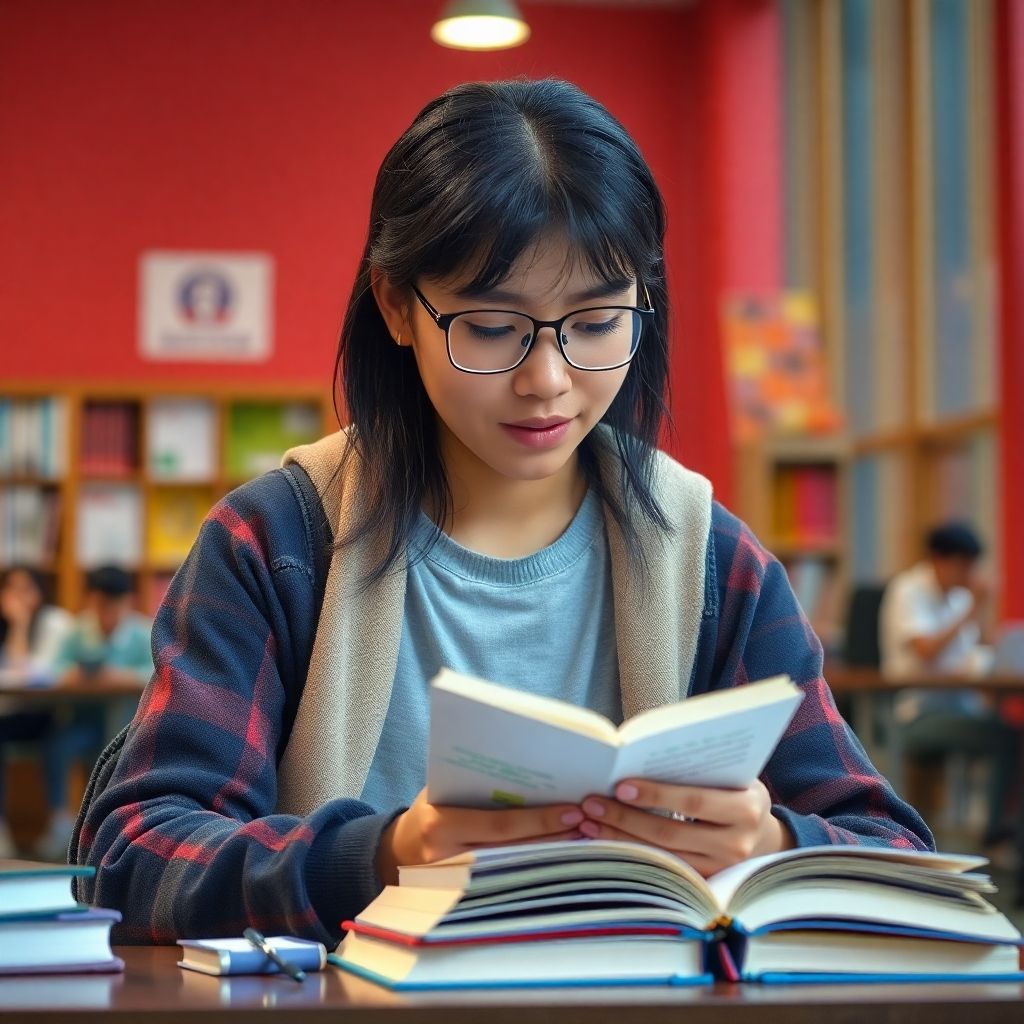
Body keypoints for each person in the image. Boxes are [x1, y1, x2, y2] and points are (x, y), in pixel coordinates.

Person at [78, 78, 931, 943]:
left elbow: (893, 853)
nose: (548, 381)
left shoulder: (713, 562)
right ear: (395, 305)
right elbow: (133, 857)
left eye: (597, 321)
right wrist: (380, 857)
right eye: (492, 328)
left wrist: (771, 842)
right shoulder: (278, 544)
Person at [879, 522, 1019, 849]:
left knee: (1008, 732)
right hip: (917, 713)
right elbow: (926, 650)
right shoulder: (908, 590)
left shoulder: (958, 598)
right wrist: (972, 608)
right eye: (963, 564)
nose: (968, 573)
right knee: (1006, 739)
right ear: (938, 560)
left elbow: (974, 656)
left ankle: (999, 831)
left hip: (960, 708)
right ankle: (995, 833)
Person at [36, 565, 153, 860]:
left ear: (129, 602)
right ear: (91, 601)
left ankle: (111, 831)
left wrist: (120, 676)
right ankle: (60, 822)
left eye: (116, 605)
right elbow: (53, 670)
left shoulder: (142, 633)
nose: (108, 613)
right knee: (57, 747)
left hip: (127, 727)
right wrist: (71, 675)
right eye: (101, 605)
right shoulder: (77, 632)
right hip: (83, 723)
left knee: (118, 759)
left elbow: (157, 672)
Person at [0, 565, 74, 857]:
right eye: (11, 589)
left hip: (50, 713)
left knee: (59, 742)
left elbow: (35, 675)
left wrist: (20, 623)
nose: (18, 597)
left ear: (40, 591)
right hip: (9, 714)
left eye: (26, 588)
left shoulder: (56, 622)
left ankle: (59, 823)